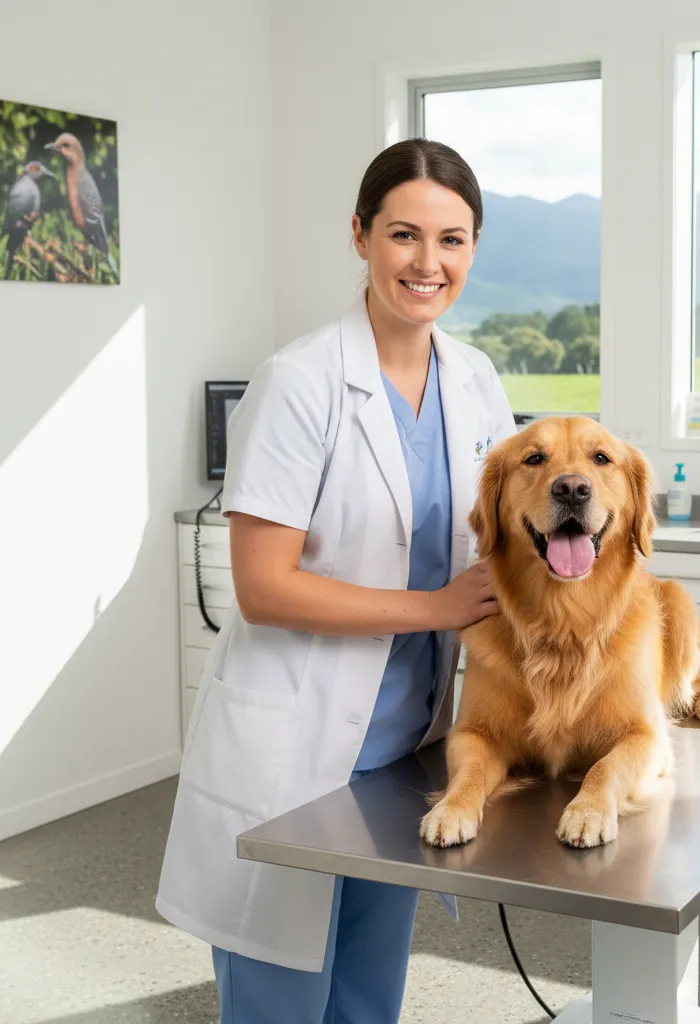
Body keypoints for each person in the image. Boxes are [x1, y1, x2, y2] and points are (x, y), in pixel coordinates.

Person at [155, 138, 517, 1024]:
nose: (428, 263)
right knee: (282, 999)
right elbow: (263, 586)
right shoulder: (299, 381)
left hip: (399, 758)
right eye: (404, 235)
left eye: (453, 240)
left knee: (366, 1000)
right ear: (360, 236)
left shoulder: (476, 381)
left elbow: (501, 545)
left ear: (473, 249)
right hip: (294, 757)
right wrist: (434, 609)